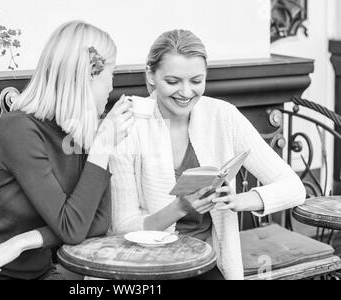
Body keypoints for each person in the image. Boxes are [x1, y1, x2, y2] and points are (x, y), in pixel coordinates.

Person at [108, 29, 306, 280]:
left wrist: (240, 201)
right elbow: (122, 228)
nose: (186, 92)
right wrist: (179, 208)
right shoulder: (128, 124)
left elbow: (294, 187)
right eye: (173, 81)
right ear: (150, 76)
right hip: (146, 267)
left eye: (196, 80)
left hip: (205, 264)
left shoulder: (222, 116)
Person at [0, 20, 134, 280]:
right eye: (111, 74)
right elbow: (72, 228)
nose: (112, 87)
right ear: (90, 74)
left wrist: (21, 242)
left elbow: (99, 223)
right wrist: (101, 148)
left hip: (40, 272)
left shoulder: (78, 132)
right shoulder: (18, 130)